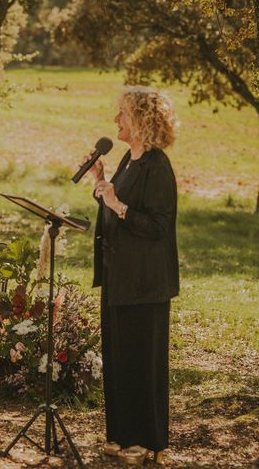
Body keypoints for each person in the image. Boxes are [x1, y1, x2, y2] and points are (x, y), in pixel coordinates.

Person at [84, 86, 179, 465]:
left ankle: (148, 440)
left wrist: (116, 204)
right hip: (118, 276)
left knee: (143, 360)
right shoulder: (127, 159)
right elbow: (114, 205)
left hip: (145, 282)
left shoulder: (157, 165)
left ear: (140, 119)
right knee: (119, 357)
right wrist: (101, 182)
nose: (116, 121)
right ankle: (120, 434)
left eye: (122, 114)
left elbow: (158, 225)